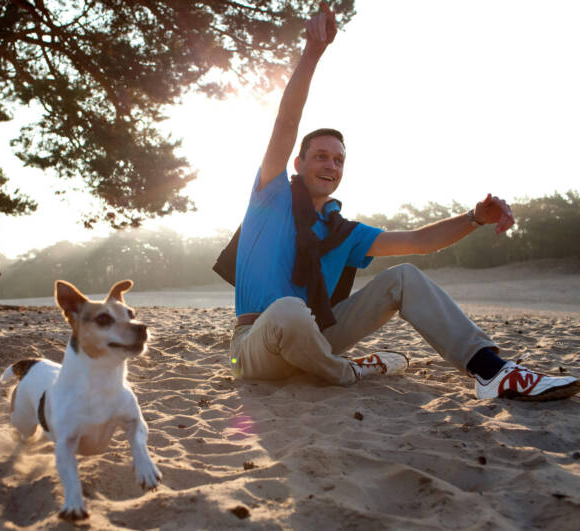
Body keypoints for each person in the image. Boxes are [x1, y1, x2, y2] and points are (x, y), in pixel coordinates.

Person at [225, 3, 579, 401]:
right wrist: (312, 53)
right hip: (255, 344)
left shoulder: (342, 231)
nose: (331, 165)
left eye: (339, 159)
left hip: (317, 337)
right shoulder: (269, 195)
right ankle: (349, 372)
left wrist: (474, 217)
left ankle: (492, 371)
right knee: (289, 310)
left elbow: (419, 241)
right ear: (298, 162)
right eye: (321, 156)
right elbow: (286, 122)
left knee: (404, 276)